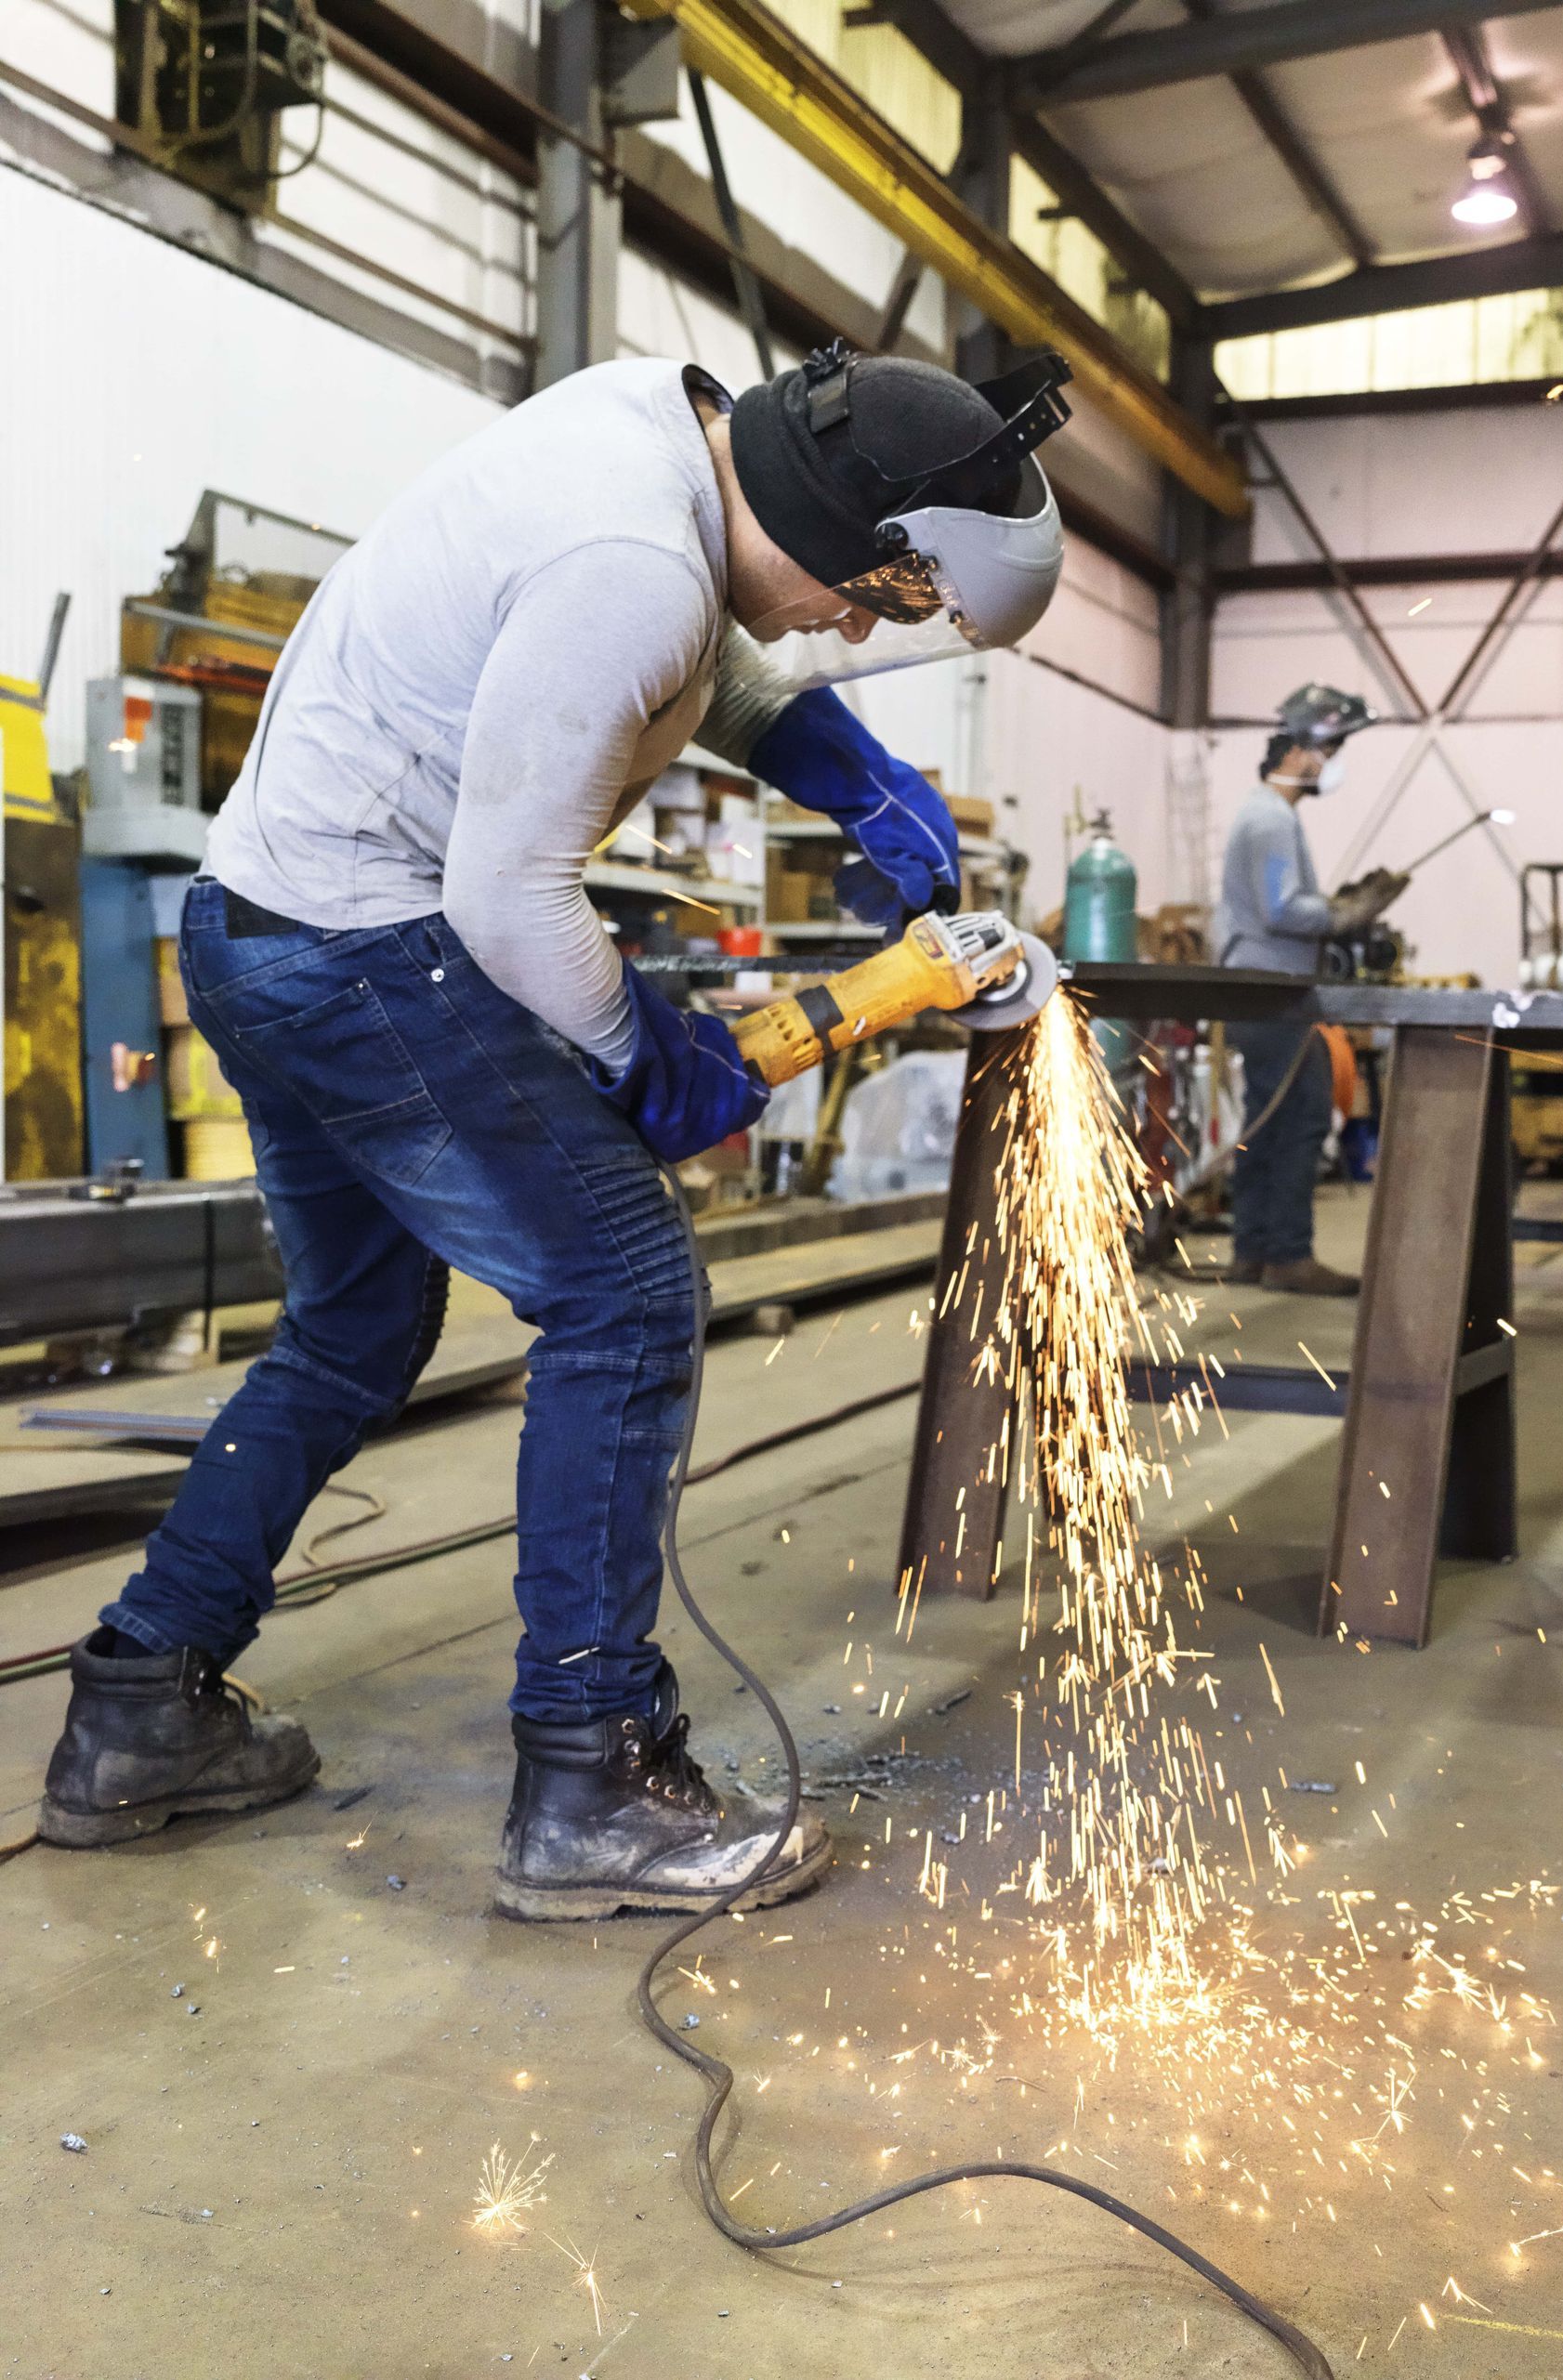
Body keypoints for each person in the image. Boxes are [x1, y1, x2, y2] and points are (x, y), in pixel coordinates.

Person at [39, 342, 1071, 1920]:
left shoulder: (660, 433)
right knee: (627, 1292)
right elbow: (507, 899)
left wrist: (835, 760)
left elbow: (703, 639)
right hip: (371, 946)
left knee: (355, 1327)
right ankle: (593, 1778)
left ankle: (136, 1701)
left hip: (254, 929)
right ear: (835, 511)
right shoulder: (631, 560)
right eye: (873, 594)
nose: (856, 624)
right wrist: (658, 1068)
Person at [1213, 683, 1405, 1296]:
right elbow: (1280, 909)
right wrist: (1343, 913)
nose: (1332, 762)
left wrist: (1334, 909)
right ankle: (1287, 1256)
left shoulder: (1266, 814)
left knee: (1266, 1121)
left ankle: (1253, 1252)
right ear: (1297, 752)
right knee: (1299, 1117)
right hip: (1271, 991)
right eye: (1330, 748)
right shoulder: (1270, 819)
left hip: (1261, 988)